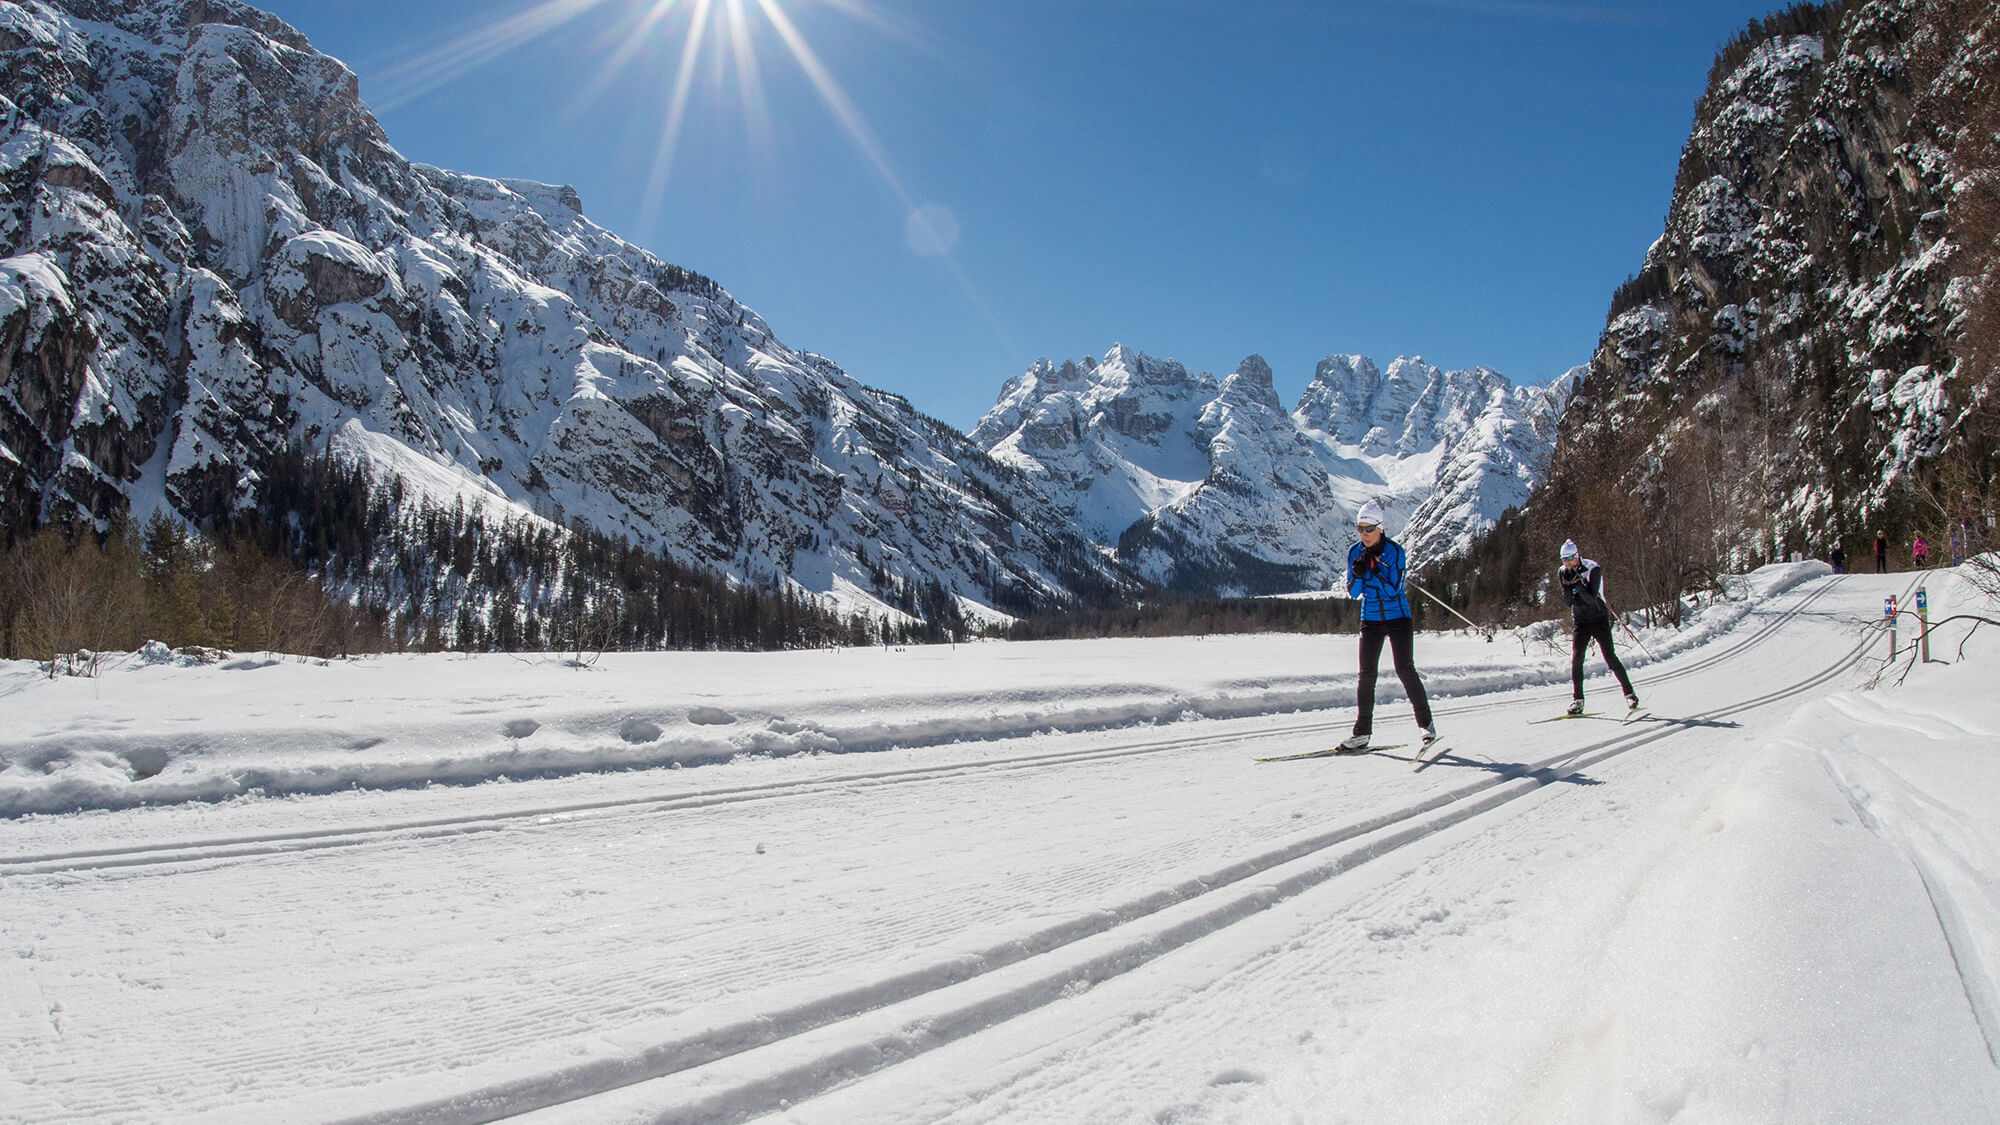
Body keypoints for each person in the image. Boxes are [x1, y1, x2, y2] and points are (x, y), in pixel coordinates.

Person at [1337, 499, 1436, 752]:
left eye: (1369, 529)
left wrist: (1375, 570)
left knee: (1405, 669)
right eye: (1360, 528)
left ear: (1380, 527)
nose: (1364, 534)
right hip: (1370, 619)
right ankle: (1361, 734)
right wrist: (1359, 574)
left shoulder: (1395, 551)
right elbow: (1353, 592)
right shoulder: (1354, 552)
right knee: (1366, 676)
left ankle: (1426, 726)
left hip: (1398, 618)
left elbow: (1394, 589)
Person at [1558, 540, 1638, 716]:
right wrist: (1568, 587)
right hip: (1580, 620)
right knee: (1577, 659)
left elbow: (1591, 598)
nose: (1567, 563)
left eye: (1570, 559)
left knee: (1610, 657)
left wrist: (1577, 585)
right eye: (1564, 560)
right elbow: (1567, 602)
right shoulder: (1563, 571)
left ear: (1577, 555)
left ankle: (1629, 693)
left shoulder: (1593, 569)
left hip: (1599, 618)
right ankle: (1577, 700)